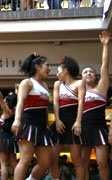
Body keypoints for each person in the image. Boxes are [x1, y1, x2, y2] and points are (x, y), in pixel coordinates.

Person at [12, 53, 53, 180]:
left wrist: (47, 125)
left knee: (45, 163)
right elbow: (20, 102)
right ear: (37, 66)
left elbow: (45, 108)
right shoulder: (27, 82)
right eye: (47, 65)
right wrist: (17, 120)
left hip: (41, 126)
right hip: (27, 123)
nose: (49, 68)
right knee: (25, 160)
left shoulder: (45, 86)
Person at [50, 56, 86, 180]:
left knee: (77, 161)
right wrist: (57, 120)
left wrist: (78, 121)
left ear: (65, 71)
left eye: (59, 70)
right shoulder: (57, 84)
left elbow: (81, 103)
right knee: (52, 159)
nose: (57, 74)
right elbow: (55, 103)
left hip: (73, 122)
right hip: (59, 121)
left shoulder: (80, 83)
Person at [81, 31, 110, 180]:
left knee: (102, 163)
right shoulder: (78, 92)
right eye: (85, 72)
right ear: (81, 77)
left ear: (95, 75)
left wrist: (105, 45)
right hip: (83, 129)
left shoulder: (101, 87)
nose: (88, 73)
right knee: (83, 163)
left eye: (91, 71)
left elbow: (105, 65)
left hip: (100, 128)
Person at [0, 79, 18, 180]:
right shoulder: (15, 111)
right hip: (12, 140)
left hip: (4, 139)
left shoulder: (7, 111)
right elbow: (16, 99)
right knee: (14, 163)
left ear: (7, 102)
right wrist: (16, 90)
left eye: (6, 99)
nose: (4, 100)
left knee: (3, 164)